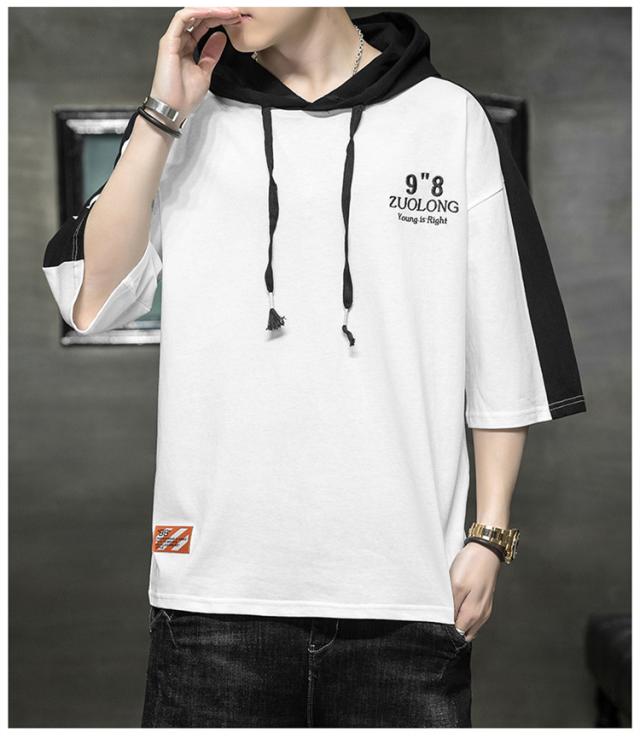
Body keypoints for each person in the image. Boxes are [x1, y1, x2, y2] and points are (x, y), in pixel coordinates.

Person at [41, 6, 587, 728]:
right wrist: (163, 114)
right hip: (212, 601)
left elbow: (503, 345)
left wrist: (489, 536)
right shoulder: (186, 121)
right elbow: (92, 298)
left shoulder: (449, 120)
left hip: (405, 599)